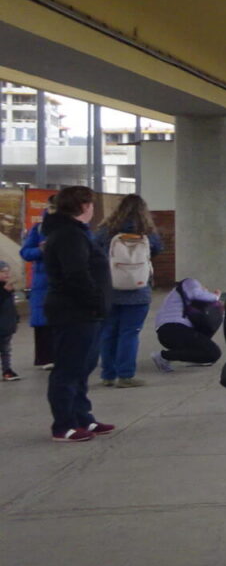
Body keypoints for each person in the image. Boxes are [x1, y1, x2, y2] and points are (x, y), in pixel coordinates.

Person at [41, 185, 114, 442]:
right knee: (69, 368)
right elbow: (76, 274)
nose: (93, 208)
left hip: (85, 312)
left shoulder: (75, 232)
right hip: (74, 311)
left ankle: (83, 417)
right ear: (84, 206)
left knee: (83, 367)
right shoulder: (69, 235)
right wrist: (95, 301)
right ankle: (64, 425)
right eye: (91, 204)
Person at [97, 193, 163, 387]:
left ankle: (108, 375)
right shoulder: (147, 232)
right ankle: (125, 375)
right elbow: (157, 249)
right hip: (138, 291)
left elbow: (94, 249)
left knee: (108, 332)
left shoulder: (106, 231)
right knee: (130, 333)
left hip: (109, 289)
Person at [150, 277, 223, 370]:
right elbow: (196, 294)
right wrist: (215, 296)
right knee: (213, 353)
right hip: (173, 329)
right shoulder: (189, 282)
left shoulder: (179, 293)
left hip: (169, 331)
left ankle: (193, 356)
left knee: (208, 335)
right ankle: (164, 356)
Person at [19, 198, 55, 368]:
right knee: (43, 321)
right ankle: (45, 358)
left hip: (62, 281)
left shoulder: (75, 228)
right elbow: (25, 252)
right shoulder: (38, 229)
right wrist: (40, 250)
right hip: (42, 282)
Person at [0, 260, 19, 381]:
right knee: (5, 349)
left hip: (6, 324)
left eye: (8, 271)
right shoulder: (5, 290)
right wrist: (5, 292)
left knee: (6, 349)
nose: (6, 274)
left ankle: (7, 370)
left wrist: (15, 318)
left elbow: (11, 306)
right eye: (3, 271)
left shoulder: (8, 288)